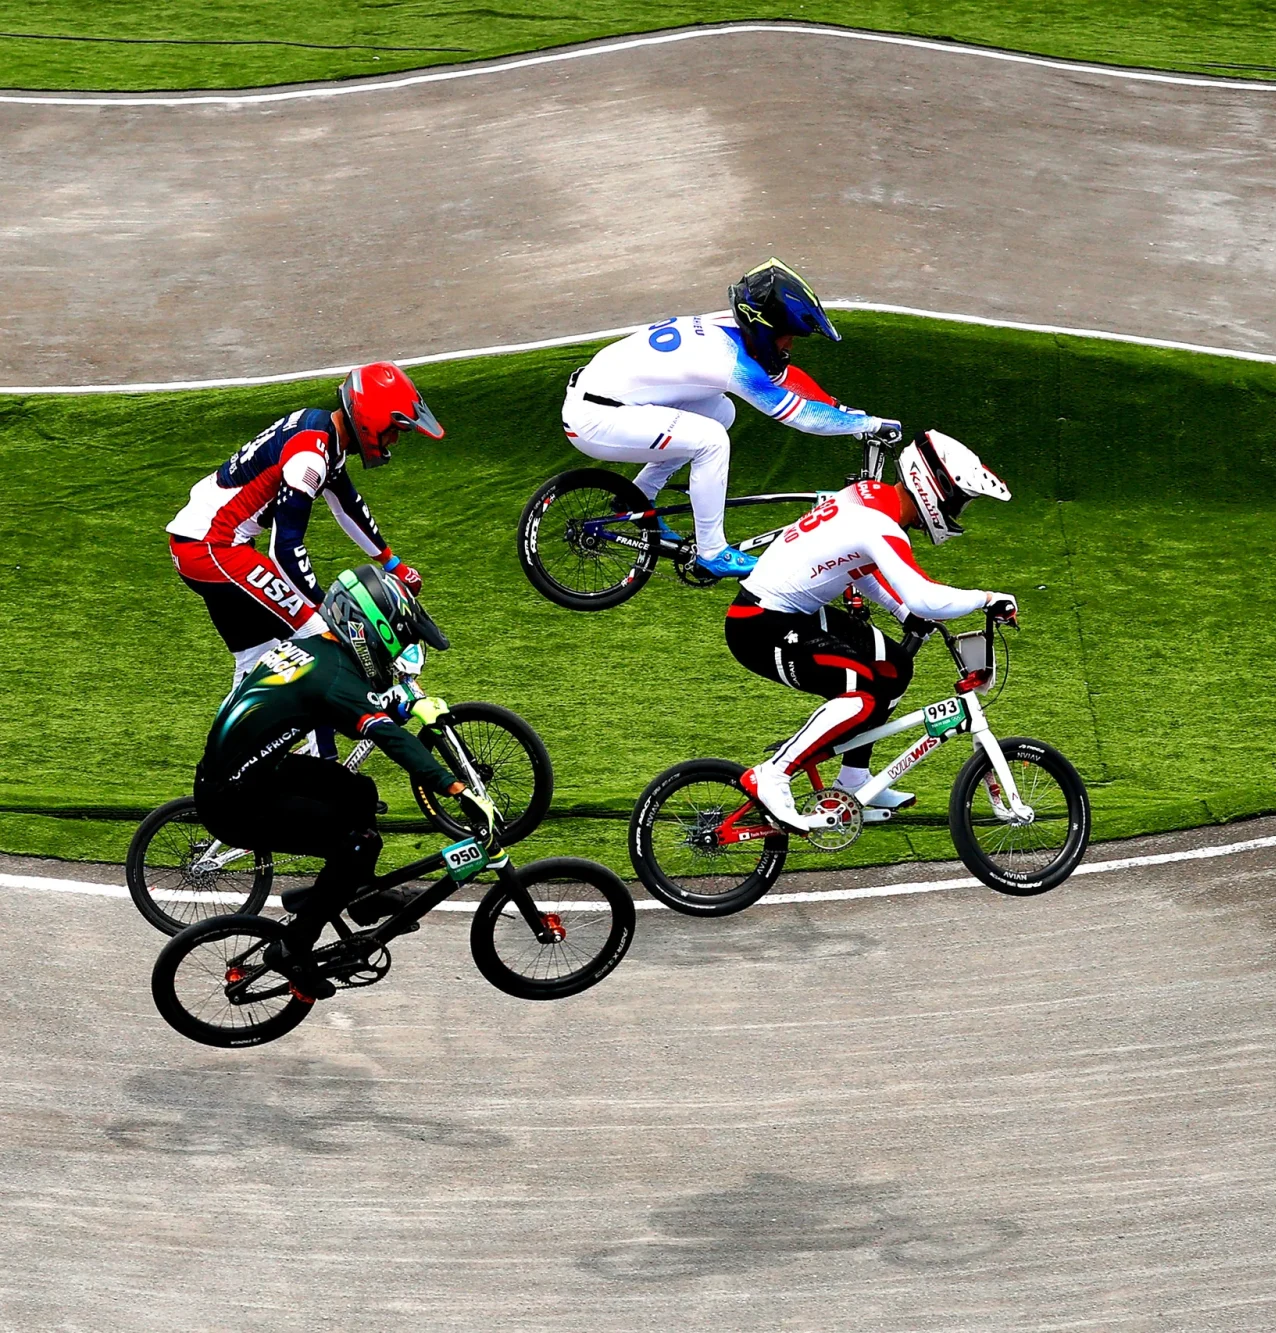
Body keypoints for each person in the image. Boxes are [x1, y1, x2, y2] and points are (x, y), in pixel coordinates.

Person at [193, 565, 497, 999]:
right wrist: (455, 787)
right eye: (395, 637)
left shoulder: (317, 650)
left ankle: (353, 894)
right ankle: (293, 948)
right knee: (357, 843)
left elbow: (353, 715)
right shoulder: (333, 677)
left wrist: (386, 704)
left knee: (359, 792)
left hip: (241, 776)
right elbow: (388, 737)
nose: (396, 651)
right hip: (236, 801)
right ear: (368, 630)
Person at [727, 431, 1015, 831]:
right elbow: (925, 598)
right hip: (760, 626)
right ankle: (773, 775)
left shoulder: (869, 495)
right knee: (861, 695)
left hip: (794, 612)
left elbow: (855, 567)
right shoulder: (881, 524)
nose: (956, 513)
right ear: (934, 489)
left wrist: (902, 613)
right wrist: (988, 598)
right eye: (958, 503)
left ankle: (855, 781)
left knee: (894, 665)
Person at [562, 258, 901, 580]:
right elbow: (802, 416)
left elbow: (785, 378)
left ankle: (636, 498)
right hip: (595, 418)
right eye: (788, 338)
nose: (789, 347)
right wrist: (868, 424)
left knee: (721, 411)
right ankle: (712, 553)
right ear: (767, 330)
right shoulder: (729, 364)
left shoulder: (726, 328)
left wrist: (841, 409)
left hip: (602, 399)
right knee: (710, 441)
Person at [168, 362, 442, 688]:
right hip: (214, 549)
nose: (394, 440)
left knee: (256, 660)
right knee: (320, 639)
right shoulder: (310, 457)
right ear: (370, 419)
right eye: (394, 430)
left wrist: (391, 563)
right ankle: (319, 742)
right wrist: (324, 609)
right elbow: (284, 548)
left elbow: (349, 507)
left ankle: (246, 739)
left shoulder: (323, 431)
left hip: (204, 545)